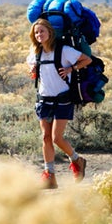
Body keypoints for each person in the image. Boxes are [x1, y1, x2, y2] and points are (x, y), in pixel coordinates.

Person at [27, 18, 92, 189]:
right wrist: (33, 70)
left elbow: (87, 60)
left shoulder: (64, 51)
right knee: (46, 137)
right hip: (44, 99)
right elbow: (33, 69)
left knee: (56, 138)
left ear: (50, 32)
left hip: (63, 98)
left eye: (42, 31)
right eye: (36, 32)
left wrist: (71, 69)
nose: (39, 34)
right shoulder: (35, 53)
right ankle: (50, 176)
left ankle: (77, 160)